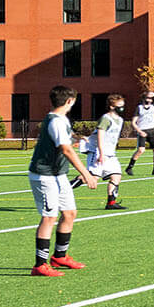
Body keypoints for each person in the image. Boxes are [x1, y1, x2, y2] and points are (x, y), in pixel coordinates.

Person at [27, 85, 99, 276]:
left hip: (58, 175)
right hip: (44, 175)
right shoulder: (56, 121)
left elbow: (64, 141)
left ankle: (59, 256)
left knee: (69, 213)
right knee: (49, 217)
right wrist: (86, 173)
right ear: (69, 101)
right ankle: (39, 265)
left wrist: (77, 137)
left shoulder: (61, 120)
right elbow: (66, 149)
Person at [87, 93, 129, 210]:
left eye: (123, 105)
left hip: (111, 154)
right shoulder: (106, 118)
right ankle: (61, 192)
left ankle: (111, 203)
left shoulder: (120, 120)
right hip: (99, 152)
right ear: (111, 106)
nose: (122, 108)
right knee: (91, 178)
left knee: (116, 176)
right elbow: (100, 136)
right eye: (119, 106)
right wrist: (101, 153)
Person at [129, 91, 154, 176]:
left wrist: (153, 94)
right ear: (143, 98)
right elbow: (133, 122)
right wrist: (139, 131)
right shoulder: (139, 108)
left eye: (150, 98)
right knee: (141, 150)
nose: (149, 100)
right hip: (143, 131)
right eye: (147, 98)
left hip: (152, 131)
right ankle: (130, 167)